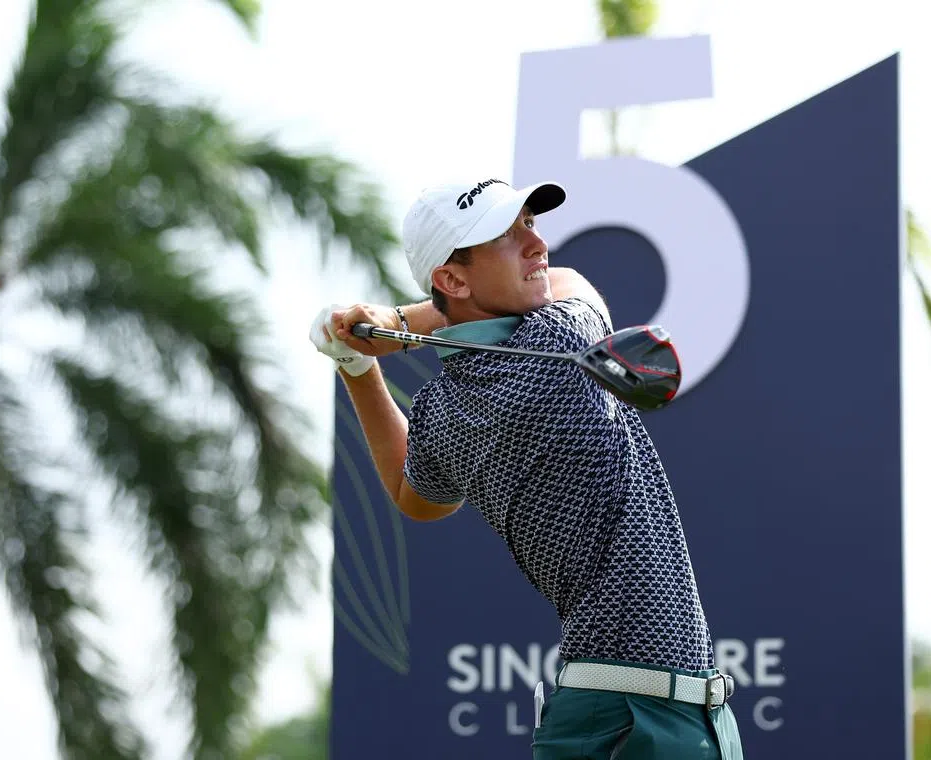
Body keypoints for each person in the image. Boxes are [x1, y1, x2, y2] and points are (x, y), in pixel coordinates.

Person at [309, 177, 744, 760]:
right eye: (505, 236)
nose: (536, 245)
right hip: (653, 718)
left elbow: (412, 495)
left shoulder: (442, 411)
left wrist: (357, 366)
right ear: (452, 279)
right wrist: (400, 327)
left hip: (593, 711)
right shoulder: (556, 339)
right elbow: (572, 283)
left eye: (530, 226)